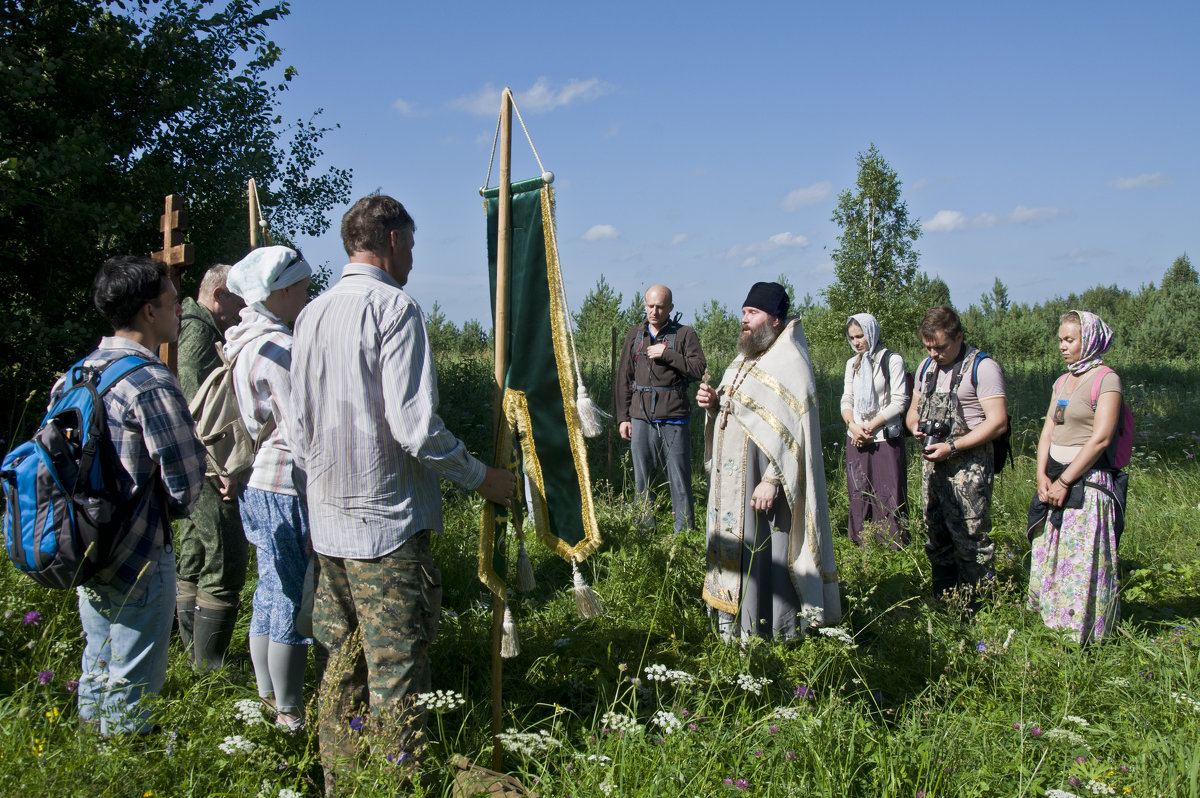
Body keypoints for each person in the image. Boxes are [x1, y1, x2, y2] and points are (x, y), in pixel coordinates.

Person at [290, 193, 515, 791]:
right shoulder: (393, 308)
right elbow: (415, 428)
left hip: (329, 524)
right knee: (396, 672)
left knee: (340, 668)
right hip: (385, 529)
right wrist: (482, 478)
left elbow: (296, 424)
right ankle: (397, 784)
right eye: (411, 244)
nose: (413, 257)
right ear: (391, 240)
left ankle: (342, 781)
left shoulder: (310, 313)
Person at [73, 255, 206, 735]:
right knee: (133, 677)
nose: (178, 312)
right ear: (150, 311)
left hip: (86, 542)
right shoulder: (149, 382)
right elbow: (186, 482)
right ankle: (125, 769)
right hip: (141, 549)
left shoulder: (77, 374)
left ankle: (90, 754)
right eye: (173, 303)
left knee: (98, 659)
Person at [695, 282, 840, 640]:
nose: (744, 320)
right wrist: (712, 404)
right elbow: (736, 412)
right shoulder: (744, 357)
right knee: (737, 550)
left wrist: (773, 480)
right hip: (731, 486)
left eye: (753, 313)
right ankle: (730, 629)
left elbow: (796, 438)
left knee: (766, 552)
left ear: (775, 320)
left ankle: (768, 630)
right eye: (743, 312)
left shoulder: (790, 362)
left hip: (763, 483)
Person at [224, 245, 313, 731]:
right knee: (291, 598)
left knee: (269, 591)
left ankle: (267, 697)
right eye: (299, 286)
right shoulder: (279, 348)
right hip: (285, 482)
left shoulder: (245, 339)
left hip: (259, 481)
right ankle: (289, 710)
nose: (305, 294)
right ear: (278, 292)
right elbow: (300, 431)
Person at [1028, 310, 1123, 644]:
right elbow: (1047, 431)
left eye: (1070, 340)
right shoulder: (1062, 381)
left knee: (1080, 564)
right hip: (1053, 481)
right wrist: (1041, 475)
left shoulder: (1106, 380)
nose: (1062, 347)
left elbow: (1102, 438)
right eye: (1060, 340)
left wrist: (1066, 481)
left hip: (1087, 483)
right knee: (1052, 556)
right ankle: (1051, 629)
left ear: (1090, 340)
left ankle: (1083, 639)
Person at [905, 305, 1008, 599]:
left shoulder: (983, 367)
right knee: (935, 531)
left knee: (971, 536)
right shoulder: (926, 368)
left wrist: (953, 446)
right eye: (928, 347)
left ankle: (979, 604)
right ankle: (945, 599)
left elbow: (998, 421)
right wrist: (915, 428)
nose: (934, 353)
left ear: (959, 336)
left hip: (969, 466)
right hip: (933, 464)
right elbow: (913, 411)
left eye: (940, 347)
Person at [175, 263, 248, 670]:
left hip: (192, 463)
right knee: (223, 554)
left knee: (194, 552)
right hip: (205, 464)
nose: (242, 309)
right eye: (238, 299)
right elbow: (196, 406)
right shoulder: (197, 333)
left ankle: (194, 658)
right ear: (218, 294)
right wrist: (221, 466)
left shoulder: (197, 327)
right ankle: (208, 665)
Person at [614, 284, 707, 531]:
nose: (654, 312)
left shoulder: (685, 334)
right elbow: (624, 377)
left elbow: (698, 369)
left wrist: (667, 354)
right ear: (645, 306)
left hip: (674, 417)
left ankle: (684, 535)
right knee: (642, 479)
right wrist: (623, 417)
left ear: (670, 308)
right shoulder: (635, 335)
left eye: (660, 307)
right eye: (650, 306)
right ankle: (644, 532)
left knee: (679, 479)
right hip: (640, 416)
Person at [840, 313, 910, 548]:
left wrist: (870, 427)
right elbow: (846, 399)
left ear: (872, 333)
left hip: (884, 439)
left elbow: (899, 401)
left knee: (889, 496)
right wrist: (853, 426)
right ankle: (864, 547)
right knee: (859, 494)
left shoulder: (891, 360)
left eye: (860, 336)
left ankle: (892, 548)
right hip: (857, 438)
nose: (856, 342)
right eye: (852, 338)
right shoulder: (853, 364)